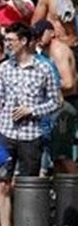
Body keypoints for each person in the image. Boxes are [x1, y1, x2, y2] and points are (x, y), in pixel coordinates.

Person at [0, 23, 61, 226]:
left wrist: (33, 110)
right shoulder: (4, 68)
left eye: (12, 40)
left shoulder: (44, 68)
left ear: (24, 41)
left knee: (26, 185)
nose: (8, 44)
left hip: (31, 133)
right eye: (7, 40)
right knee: (2, 181)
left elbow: (56, 101)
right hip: (5, 131)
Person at [33, 20, 77, 175]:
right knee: (56, 156)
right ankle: (64, 196)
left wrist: (43, 87)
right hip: (56, 106)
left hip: (66, 107)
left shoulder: (58, 50)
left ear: (51, 32)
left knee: (62, 155)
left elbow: (68, 82)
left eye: (41, 34)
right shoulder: (45, 52)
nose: (38, 38)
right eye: (36, 35)